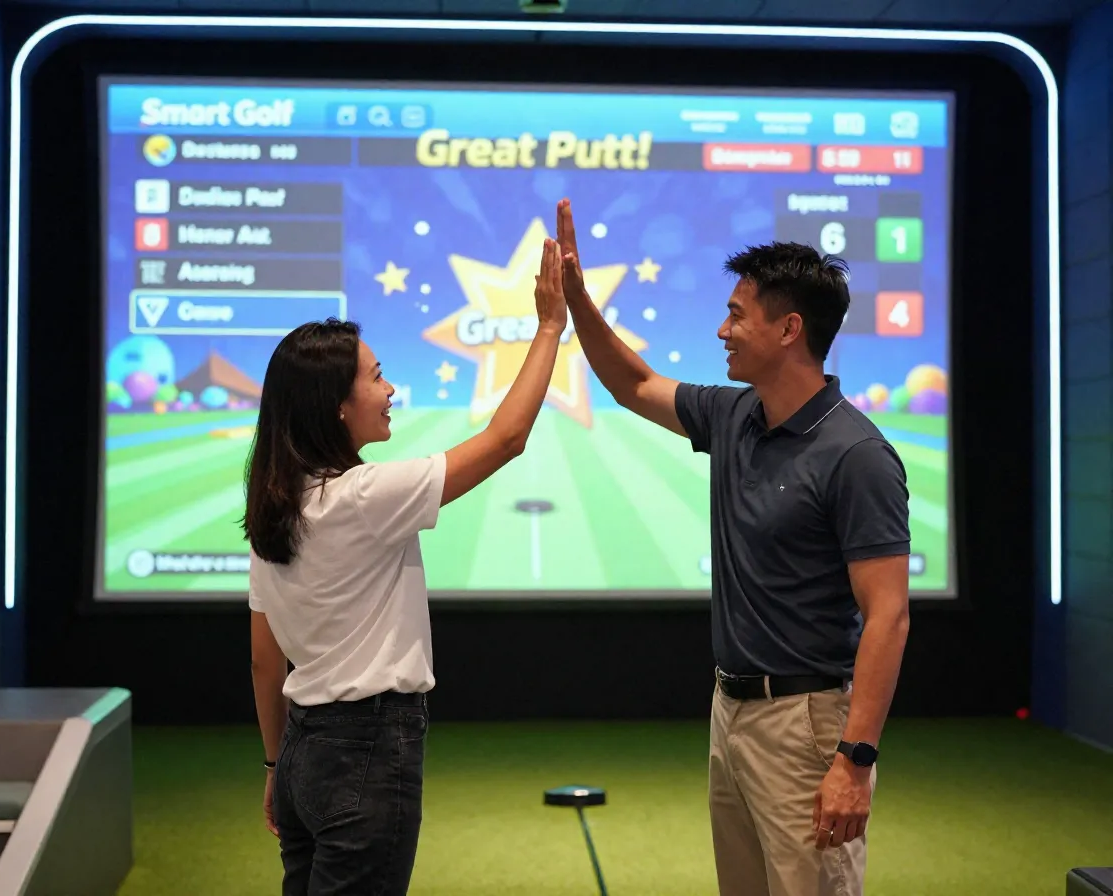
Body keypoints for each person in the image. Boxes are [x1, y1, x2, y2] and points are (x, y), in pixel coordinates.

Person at [555, 199, 910, 896]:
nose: (722, 329)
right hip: (731, 713)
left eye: (737, 315)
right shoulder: (735, 412)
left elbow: (889, 616)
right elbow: (631, 383)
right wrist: (577, 301)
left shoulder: (857, 455)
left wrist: (854, 760)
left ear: (789, 329)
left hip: (809, 726)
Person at [243, 238, 568, 896]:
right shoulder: (364, 497)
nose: (390, 390)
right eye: (376, 377)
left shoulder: (275, 504)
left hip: (304, 747)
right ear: (336, 404)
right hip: (366, 748)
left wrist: (277, 764)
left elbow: (263, 658)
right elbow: (506, 438)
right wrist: (548, 326)